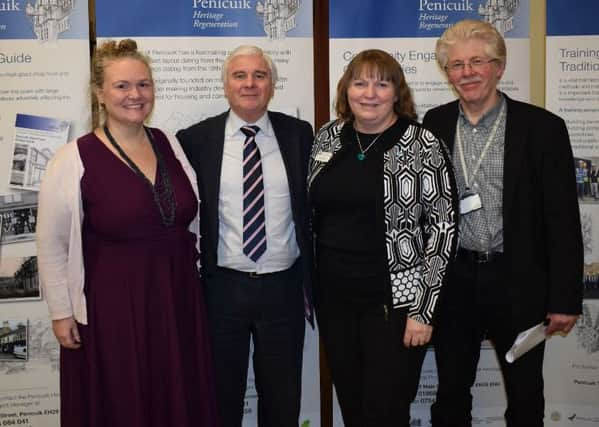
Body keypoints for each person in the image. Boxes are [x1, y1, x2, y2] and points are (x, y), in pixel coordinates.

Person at [36, 39, 219, 427]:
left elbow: (193, 217)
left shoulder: (170, 143)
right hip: (113, 308)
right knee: (123, 401)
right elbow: (51, 242)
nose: (135, 95)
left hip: (177, 297)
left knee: (176, 397)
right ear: (100, 93)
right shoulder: (73, 157)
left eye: (144, 84)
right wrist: (61, 312)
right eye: (122, 86)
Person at [423, 19, 583, 427]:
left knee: (525, 392)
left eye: (478, 61)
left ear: (499, 66)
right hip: (456, 280)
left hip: (519, 282)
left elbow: (562, 218)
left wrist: (564, 297)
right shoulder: (434, 124)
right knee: (451, 390)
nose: (467, 72)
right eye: (456, 65)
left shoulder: (543, 128)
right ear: (447, 73)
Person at [308, 49, 458, 427]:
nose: (369, 93)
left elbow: (443, 230)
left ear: (397, 92)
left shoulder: (422, 144)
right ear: (347, 90)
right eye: (360, 83)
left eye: (381, 83)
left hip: (395, 305)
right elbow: (313, 214)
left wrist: (423, 311)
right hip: (336, 301)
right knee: (355, 407)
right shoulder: (327, 137)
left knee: (386, 411)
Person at [176, 45, 313, 427]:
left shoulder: (299, 134)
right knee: (220, 398)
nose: (250, 84)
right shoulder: (195, 140)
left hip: (283, 289)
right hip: (221, 291)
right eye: (240, 76)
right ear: (225, 85)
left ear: (272, 85)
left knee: (283, 400)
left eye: (259, 75)